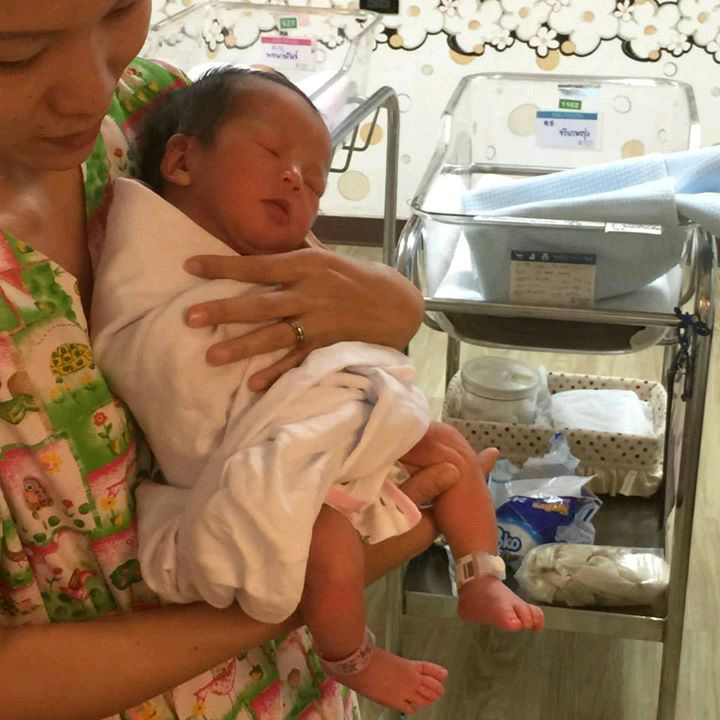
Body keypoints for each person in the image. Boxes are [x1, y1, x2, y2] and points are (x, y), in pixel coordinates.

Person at [0, 2, 456, 719]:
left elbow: (313, 287)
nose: (91, 88)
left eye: (119, 10)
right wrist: (312, 577)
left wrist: (397, 306)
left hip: (293, 683)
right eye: (15, 51)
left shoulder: (148, 112)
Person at [89, 67, 545, 713]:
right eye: (274, 153)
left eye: (315, 179)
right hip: (253, 457)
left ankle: (480, 574)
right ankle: (352, 656)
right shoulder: (154, 261)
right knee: (326, 540)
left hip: (325, 425)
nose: (296, 178)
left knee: (448, 446)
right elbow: (156, 355)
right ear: (182, 161)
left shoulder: (284, 259)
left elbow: (348, 326)